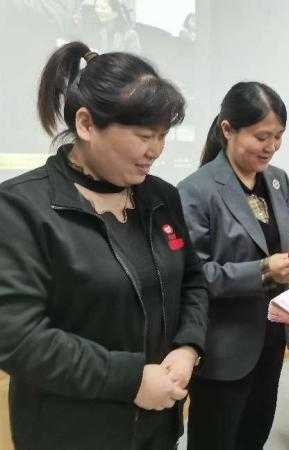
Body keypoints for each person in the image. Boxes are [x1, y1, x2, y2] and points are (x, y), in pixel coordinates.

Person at [0, 41, 209, 450]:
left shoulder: (161, 197)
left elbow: (193, 281)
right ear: (86, 124)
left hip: (157, 422)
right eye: (144, 136)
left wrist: (188, 346)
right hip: (70, 431)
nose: (155, 151)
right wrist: (130, 380)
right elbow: (17, 337)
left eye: (162, 136)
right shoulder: (21, 207)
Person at [178, 81, 289, 450]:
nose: (271, 147)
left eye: (278, 137)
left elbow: (287, 243)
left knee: (255, 432)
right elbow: (194, 275)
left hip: (271, 338)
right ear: (228, 129)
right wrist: (263, 271)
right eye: (261, 136)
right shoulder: (197, 190)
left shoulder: (278, 181)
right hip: (224, 348)